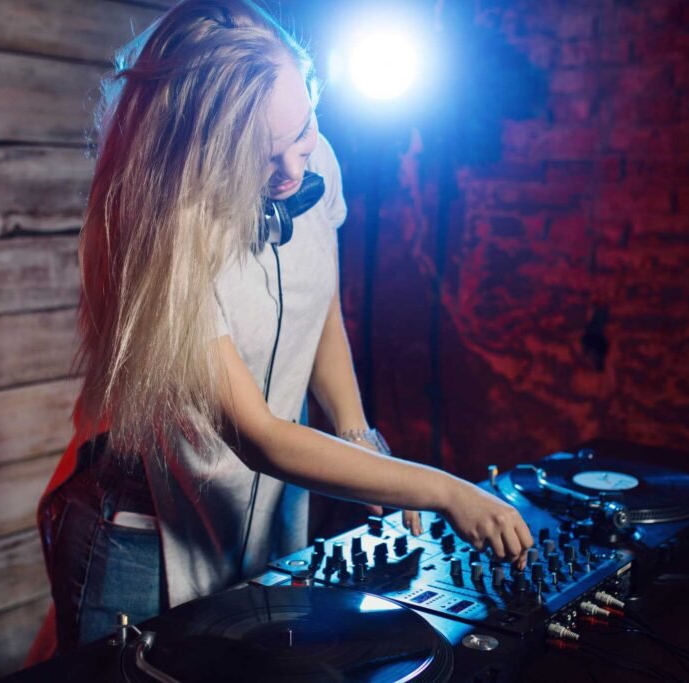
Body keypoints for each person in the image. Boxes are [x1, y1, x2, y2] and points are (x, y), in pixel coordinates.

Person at [30, 0, 533, 658]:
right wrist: (444, 489)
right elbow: (260, 436)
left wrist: (358, 434)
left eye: (303, 134)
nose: (295, 170)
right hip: (140, 532)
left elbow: (317, 302)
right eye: (261, 158)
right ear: (200, 151)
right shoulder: (154, 231)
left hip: (258, 516)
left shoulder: (312, 156)